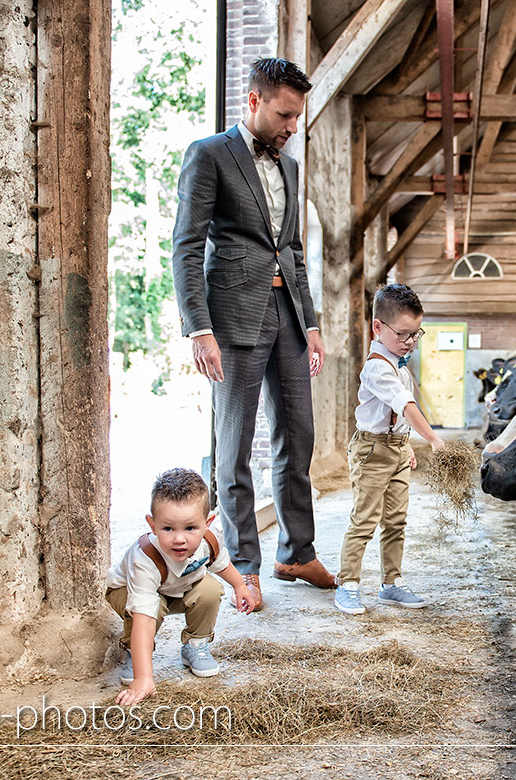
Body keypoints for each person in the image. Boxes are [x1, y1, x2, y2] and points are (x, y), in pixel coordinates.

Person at [172, 57, 334, 613]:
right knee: (234, 446)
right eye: (285, 116)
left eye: (298, 118)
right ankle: (244, 566)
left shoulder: (289, 169)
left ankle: (297, 551)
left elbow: (292, 253)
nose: (292, 128)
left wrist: (310, 324)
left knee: (299, 434)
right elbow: (187, 248)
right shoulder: (209, 155)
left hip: (287, 316)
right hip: (232, 318)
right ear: (254, 101)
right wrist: (199, 328)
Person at [335, 284, 446, 615]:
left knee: (396, 519)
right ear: (378, 327)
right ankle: (348, 584)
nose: (410, 341)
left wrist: (406, 444)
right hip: (372, 450)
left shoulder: (399, 363)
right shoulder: (377, 367)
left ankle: (391, 584)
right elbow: (405, 404)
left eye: (416, 334)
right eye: (403, 334)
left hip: (397, 448)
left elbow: (399, 418)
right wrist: (433, 439)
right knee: (365, 519)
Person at [106, 468, 256, 706]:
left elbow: (221, 563)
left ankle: (195, 644)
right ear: (152, 525)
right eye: (168, 528)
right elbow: (143, 615)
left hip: (177, 588)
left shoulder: (209, 541)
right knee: (150, 611)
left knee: (209, 588)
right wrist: (144, 679)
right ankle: (135, 653)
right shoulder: (144, 559)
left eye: (190, 528)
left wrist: (240, 586)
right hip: (130, 595)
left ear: (207, 524)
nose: (179, 539)